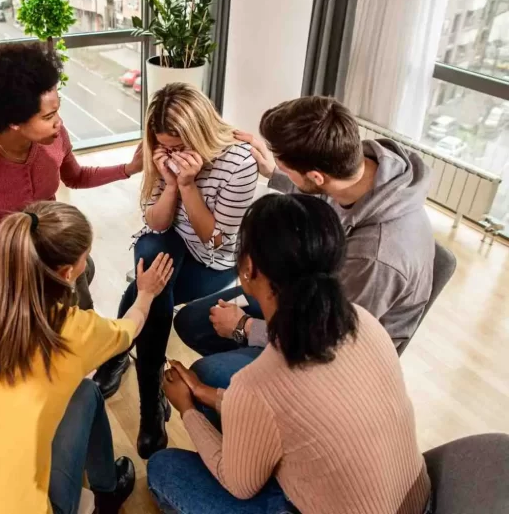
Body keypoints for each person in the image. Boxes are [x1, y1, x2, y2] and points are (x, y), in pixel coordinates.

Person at [149, 194, 432, 514]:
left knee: (164, 469)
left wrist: (187, 408)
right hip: (417, 501)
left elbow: (239, 484)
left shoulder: (259, 383)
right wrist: (205, 393)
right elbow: (293, 410)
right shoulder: (364, 320)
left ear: (248, 268)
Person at [0, 202, 174, 514]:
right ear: (67, 273)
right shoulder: (74, 330)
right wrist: (147, 293)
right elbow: (130, 327)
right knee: (86, 392)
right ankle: (106, 494)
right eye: (85, 260)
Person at [175, 96, 434, 377]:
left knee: (207, 374)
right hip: (308, 295)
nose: (279, 166)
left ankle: (267, 392)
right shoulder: (358, 169)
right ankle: (256, 368)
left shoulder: (376, 257)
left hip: (337, 354)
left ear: (316, 176)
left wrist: (245, 328)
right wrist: (275, 173)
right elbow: (321, 194)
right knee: (192, 320)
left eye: (285, 166)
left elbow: (328, 339)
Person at [93, 83, 258, 460]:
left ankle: (121, 352)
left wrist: (187, 185)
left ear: (200, 134)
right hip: (170, 245)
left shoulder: (238, 162)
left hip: (212, 261)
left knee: (147, 287)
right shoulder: (160, 152)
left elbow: (214, 241)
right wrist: (169, 184)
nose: (172, 154)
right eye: (165, 146)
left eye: (180, 147)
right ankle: (152, 401)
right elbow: (155, 222)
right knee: (151, 257)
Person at [0, 42, 143, 301]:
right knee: (53, 290)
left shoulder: (55, 138)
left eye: (57, 110)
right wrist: (10, 261)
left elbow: (76, 176)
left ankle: (85, 333)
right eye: (48, 116)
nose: (59, 122)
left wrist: (128, 169)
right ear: (14, 121)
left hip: (46, 243)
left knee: (72, 279)